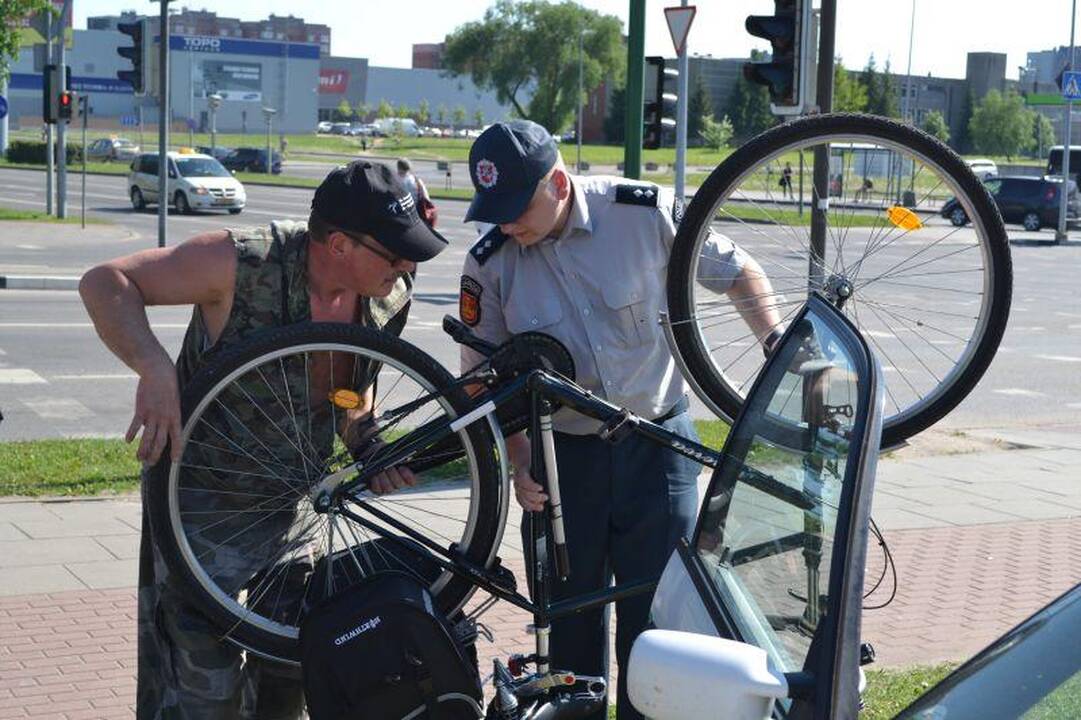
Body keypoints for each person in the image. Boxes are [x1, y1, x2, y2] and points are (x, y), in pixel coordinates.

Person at [79, 160, 448, 719]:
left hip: (294, 510)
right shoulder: (242, 262)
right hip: (199, 513)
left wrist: (366, 444)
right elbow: (106, 281)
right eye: (395, 252)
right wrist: (154, 368)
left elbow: (351, 389)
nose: (406, 265)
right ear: (341, 244)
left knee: (292, 677)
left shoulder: (387, 291)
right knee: (204, 693)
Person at [457, 120, 784, 720]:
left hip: (658, 445)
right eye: (493, 210)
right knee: (569, 628)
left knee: (660, 630)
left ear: (557, 182)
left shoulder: (643, 213)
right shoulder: (490, 262)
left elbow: (740, 273)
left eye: (515, 208)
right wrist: (519, 459)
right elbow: (481, 378)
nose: (504, 224)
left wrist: (774, 340)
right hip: (563, 461)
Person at [397, 158, 437, 227]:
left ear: (399, 167)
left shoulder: (398, 181)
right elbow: (426, 197)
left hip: (405, 215)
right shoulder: (416, 180)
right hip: (417, 213)